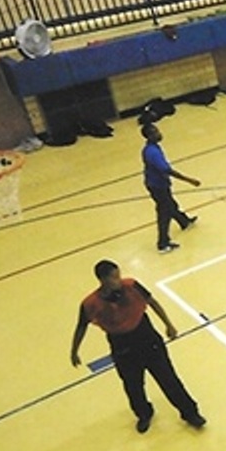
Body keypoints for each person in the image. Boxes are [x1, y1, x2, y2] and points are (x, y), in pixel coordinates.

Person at [70, 260, 206, 433]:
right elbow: (81, 326)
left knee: (168, 378)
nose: (119, 280)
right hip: (121, 344)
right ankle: (144, 413)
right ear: (103, 280)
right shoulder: (90, 304)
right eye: (114, 277)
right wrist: (74, 351)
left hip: (146, 336)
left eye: (118, 275)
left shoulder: (132, 286)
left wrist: (168, 324)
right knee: (133, 384)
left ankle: (190, 412)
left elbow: (152, 302)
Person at [142, 122, 199, 253]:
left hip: (159, 184)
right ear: (149, 136)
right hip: (157, 186)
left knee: (170, 204)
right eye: (155, 132)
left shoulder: (151, 148)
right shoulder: (152, 153)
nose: (159, 133)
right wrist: (189, 179)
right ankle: (163, 243)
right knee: (164, 212)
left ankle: (184, 221)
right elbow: (166, 169)